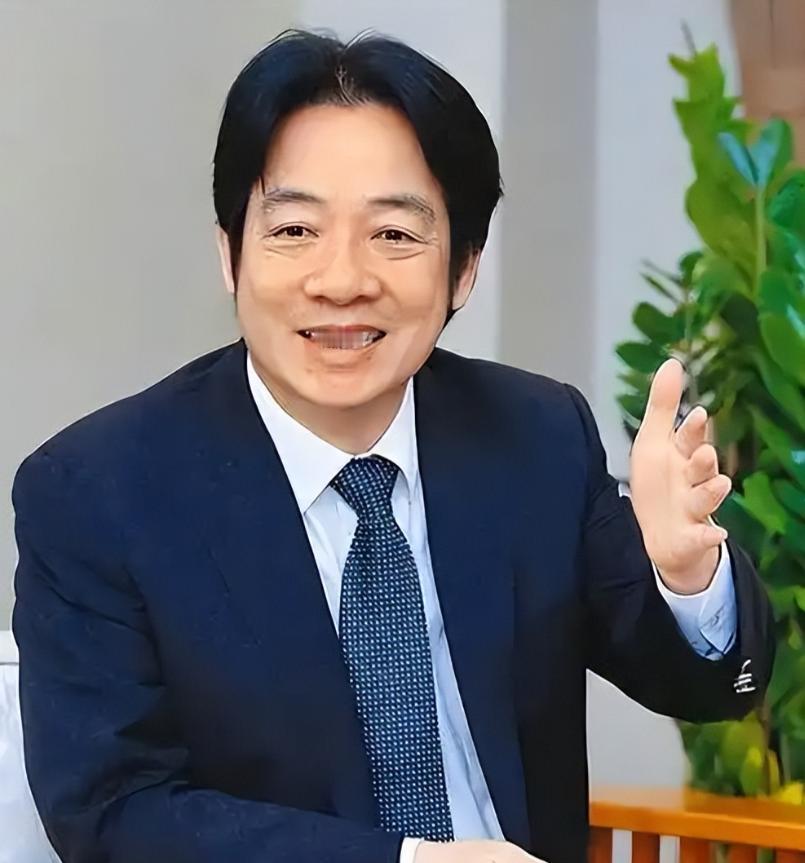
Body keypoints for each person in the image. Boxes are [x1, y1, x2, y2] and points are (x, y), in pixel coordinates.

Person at [12, 29, 774, 863]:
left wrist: (685, 574)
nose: (342, 280)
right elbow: (115, 812)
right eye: (295, 230)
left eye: (394, 235)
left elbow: (702, 684)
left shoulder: (534, 435)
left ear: (463, 268)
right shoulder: (98, 493)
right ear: (229, 254)